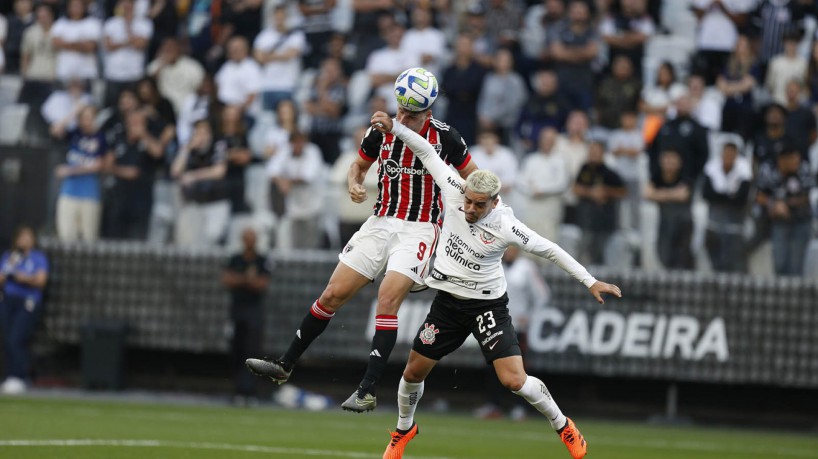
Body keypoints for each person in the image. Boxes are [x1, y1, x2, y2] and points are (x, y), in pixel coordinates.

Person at [369, 111, 621, 459]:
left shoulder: (507, 224)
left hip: (487, 306)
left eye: (478, 205)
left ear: (494, 202)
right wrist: (394, 126)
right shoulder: (455, 187)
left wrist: (590, 281)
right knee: (413, 371)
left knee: (514, 381)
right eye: (468, 201)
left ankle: (564, 425)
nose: (469, 208)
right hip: (448, 303)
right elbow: (427, 150)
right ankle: (402, 430)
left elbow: (550, 249)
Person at [246, 67, 478, 412]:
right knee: (332, 293)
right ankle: (284, 365)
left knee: (387, 298)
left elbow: (473, 178)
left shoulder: (446, 138)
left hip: (419, 227)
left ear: (428, 113)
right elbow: (359, 166)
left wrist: (467, 218)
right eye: (400, 110)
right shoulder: (380, 131)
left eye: (411, 115)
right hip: (380, 221)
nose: (402, 118)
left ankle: (367, 389)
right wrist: (354, 183)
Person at [222, 227, 272, 404]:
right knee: (236, 349)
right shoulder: (235, 258)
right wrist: (247, 279)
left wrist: (241, 280)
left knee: (253, 351)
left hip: (254, 311)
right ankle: (238, 390)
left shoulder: (262, 260)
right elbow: (227, 279)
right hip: (237, 310)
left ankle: (250, 391)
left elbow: (262, 284)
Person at [0, 226, 49, 395]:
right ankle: (11, 376)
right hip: (8, 301)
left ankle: (20, 376)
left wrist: (24, 278)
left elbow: (41, 281)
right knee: (8, 339)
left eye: (28, 237)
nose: (25, 240)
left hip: (28, 302)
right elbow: (1, 277)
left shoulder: (38, 258)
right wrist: (9, 268)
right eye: (22, 237)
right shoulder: (10, 256)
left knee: (16, 339)